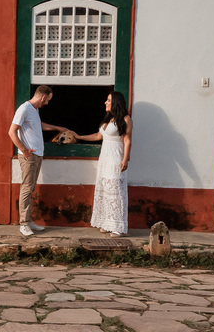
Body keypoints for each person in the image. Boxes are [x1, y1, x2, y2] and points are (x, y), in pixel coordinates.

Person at [8, 85, 67, 236]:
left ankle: (29, 220)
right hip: (29, 156)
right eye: (47, 100)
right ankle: (23, 224)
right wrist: (25, 150)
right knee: (27, 188)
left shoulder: (35, 110)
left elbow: (38, 125)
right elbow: (12, 131)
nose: (47, 103)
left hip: (37, 155)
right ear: (42, 97)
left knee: (31, 187)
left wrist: (57, 128)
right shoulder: (24, 109)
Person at [72, 91, 132, 236]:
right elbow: (98, 136)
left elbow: (127, 140)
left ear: (116, 102)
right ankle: (106, 223)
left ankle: (118, 227)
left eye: (108, 100)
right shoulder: (108, 119)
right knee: (105, 191)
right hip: (104, 159)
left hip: (115, 159)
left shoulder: (125, 119)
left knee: (116, 192)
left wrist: (126, 159)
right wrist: (79, 136)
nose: (105, 102)